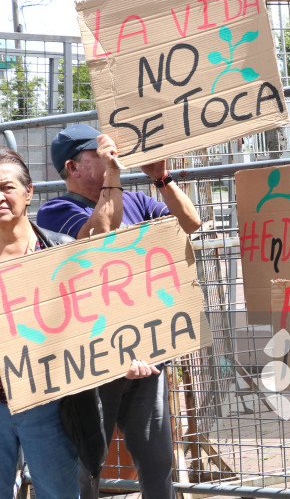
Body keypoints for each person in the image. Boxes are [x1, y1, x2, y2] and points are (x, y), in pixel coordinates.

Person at [36, 124, 202, 499]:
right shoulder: (56, 210)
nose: (114, 157)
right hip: (95, 361)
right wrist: (115, 174)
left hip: (148, 352)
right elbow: (101, 238)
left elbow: (190, 224)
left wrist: (162, 179)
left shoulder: (139, 202)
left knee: (158, 462)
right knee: (88, 463)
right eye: (100, 153)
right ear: (73, 167)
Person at [0, 148, 79, 498]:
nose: (0, 198)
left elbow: (93, 323)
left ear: (29, 192)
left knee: (58, 493)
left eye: (7, 187)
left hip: (46, 405)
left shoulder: (60, 251)